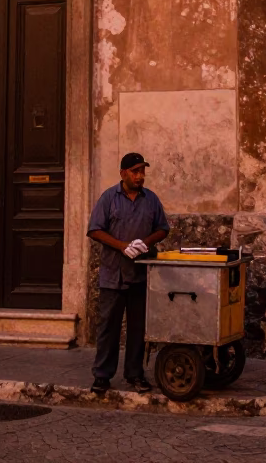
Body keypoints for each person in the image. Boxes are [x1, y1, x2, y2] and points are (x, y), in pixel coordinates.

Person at [87, 152, 170, 394]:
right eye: (135, 171)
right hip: (113, 274)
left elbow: (163, 228)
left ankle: (135, 374)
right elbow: (94, 230)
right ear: (123, 173)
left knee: (137, 329)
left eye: (142, 171)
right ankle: (102, 375)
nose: (140, 176)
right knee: (108, 328)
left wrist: (145, 243)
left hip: (140, 275)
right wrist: (121, 245)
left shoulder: (151, 199)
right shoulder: (108, 198)